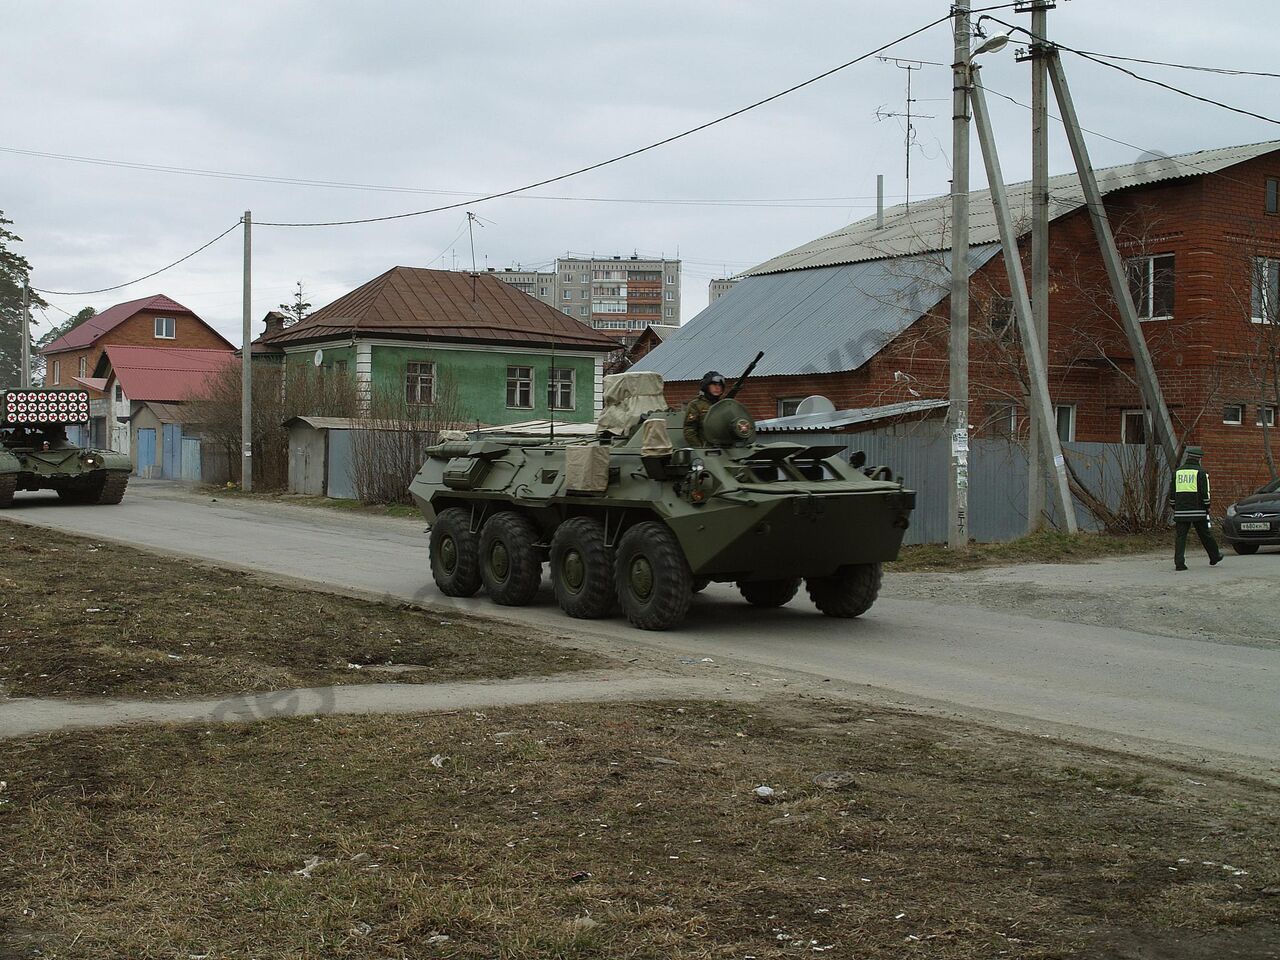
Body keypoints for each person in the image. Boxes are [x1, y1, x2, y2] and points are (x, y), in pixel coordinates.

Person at [1168, 446, 1223, 571]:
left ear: (1187, 458)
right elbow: (1205, 493)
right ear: (1199, 459)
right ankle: (1215, 556)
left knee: (1180, 536)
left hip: (1181, 510)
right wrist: (1207, 506)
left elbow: (1172, 493)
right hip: (1198, 510)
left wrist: (1174, 506)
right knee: (1205, 534)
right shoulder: (1201, 473)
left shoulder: (1177, 472)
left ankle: (1179, 563)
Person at [683, 370, 726, 446]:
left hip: (727, 447)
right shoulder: (696, 405)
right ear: (706, 386)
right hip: (706, 449)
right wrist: (700, 448)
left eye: (720, 385)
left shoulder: (725, 404)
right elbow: (689, 430)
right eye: (713, 385)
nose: (717, 388)